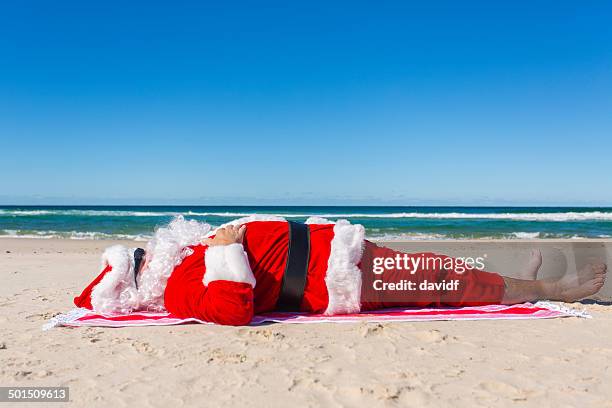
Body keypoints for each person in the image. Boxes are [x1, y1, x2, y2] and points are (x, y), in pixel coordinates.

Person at [74, 216, 607, 325]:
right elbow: (230, 311)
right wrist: (226, 249)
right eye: (141, 258)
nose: (151, 248)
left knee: (442, 269)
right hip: (331, 279)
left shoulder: (185, 258)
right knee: (451, 282)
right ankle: (554, 288)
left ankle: (529, 282)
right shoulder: (180, 288)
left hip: (338, 254)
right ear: (138, 283)